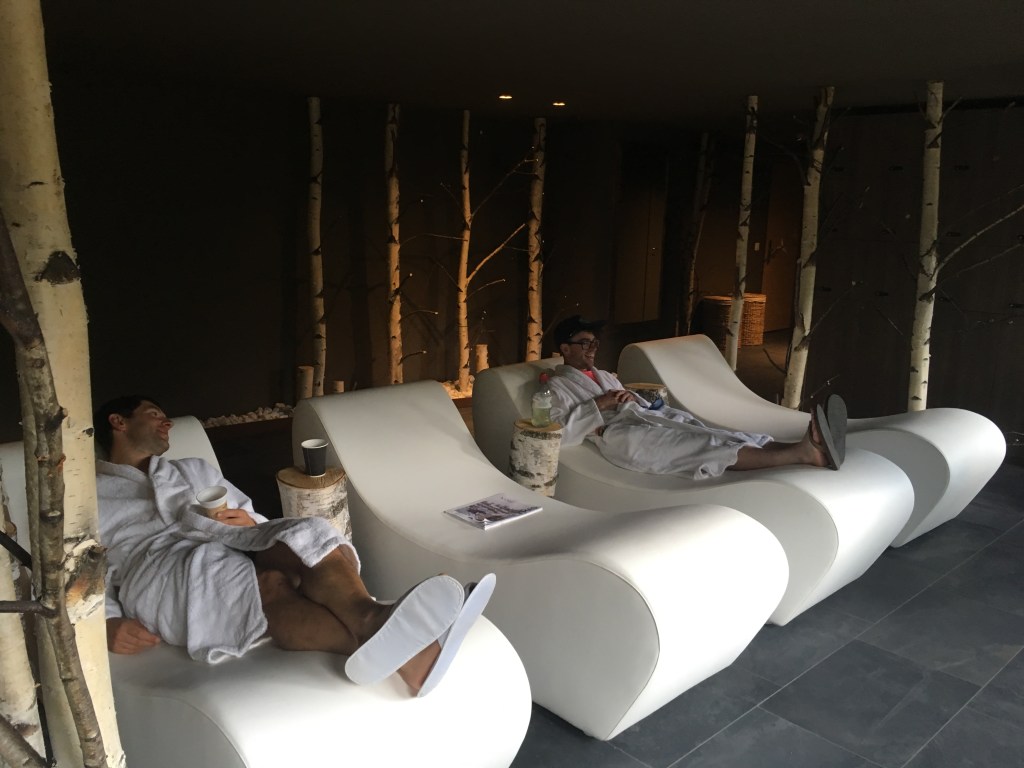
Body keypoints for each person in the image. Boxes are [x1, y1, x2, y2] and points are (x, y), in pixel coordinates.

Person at [94, 395, 495, 698]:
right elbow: (82, 570)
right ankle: (412, 650)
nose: (166, 422)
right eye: (153, 414)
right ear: (118, 422)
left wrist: (250, 522)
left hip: (229, 539)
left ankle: (376, 621)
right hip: (159, 571)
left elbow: (250, 516)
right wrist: (107, 623)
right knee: (264, 585)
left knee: (306, 533)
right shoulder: (90, 497)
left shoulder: (192, 469)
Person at [546, 316, 846, 480]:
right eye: (584, 343)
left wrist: (631, 397)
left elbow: (629, 400)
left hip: (648, 419)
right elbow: (558, 434)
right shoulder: (556, 386)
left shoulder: (603, 375)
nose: (592, 349)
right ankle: (803, 455)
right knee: (706, 446)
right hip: (623, 438)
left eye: (594, 343)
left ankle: (802, 447)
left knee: (725, 435)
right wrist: (600, 404)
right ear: (565, 348)